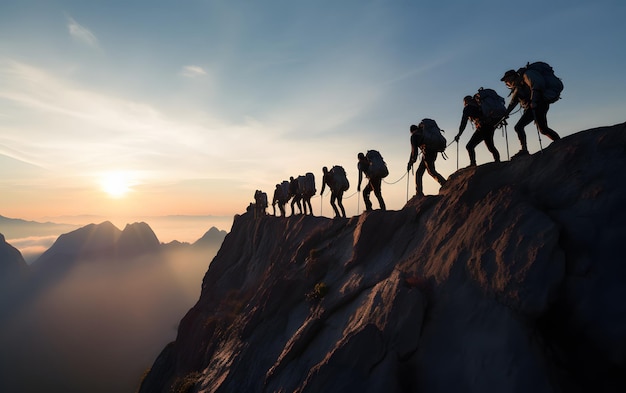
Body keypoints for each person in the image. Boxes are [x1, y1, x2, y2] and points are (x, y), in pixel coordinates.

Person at [500, 69, 561, 157]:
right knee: (541, 128)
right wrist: (506, 113)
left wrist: (534, 101)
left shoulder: (520, 85)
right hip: (538, 105)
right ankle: (559, 142)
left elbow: (513, 103)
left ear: (512, 77)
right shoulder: (519, 85)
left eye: (506, 80)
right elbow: (513, 103)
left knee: (522, 127)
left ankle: (525, 149)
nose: (506, 83)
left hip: (536, 105)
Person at [454, 95, 501, 166]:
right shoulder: (480, 105)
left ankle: (473, 163)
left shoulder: (467, 108)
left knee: (469, 146)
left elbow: (463, 123)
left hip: (482, 127)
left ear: (465, 102)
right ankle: (497, 161)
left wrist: (459, 134)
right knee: (490, 145)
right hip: (490, 125)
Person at [407, 123, 447, 197]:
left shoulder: (414, 136)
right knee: (420, 172)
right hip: (433, 151)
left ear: (411, 131)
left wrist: (411, 162)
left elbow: (414, 151)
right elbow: (413, 152)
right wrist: (410, 161)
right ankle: (419, 192)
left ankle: (445, 184)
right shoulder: (423, 132)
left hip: (427, 153)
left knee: (430, 171)